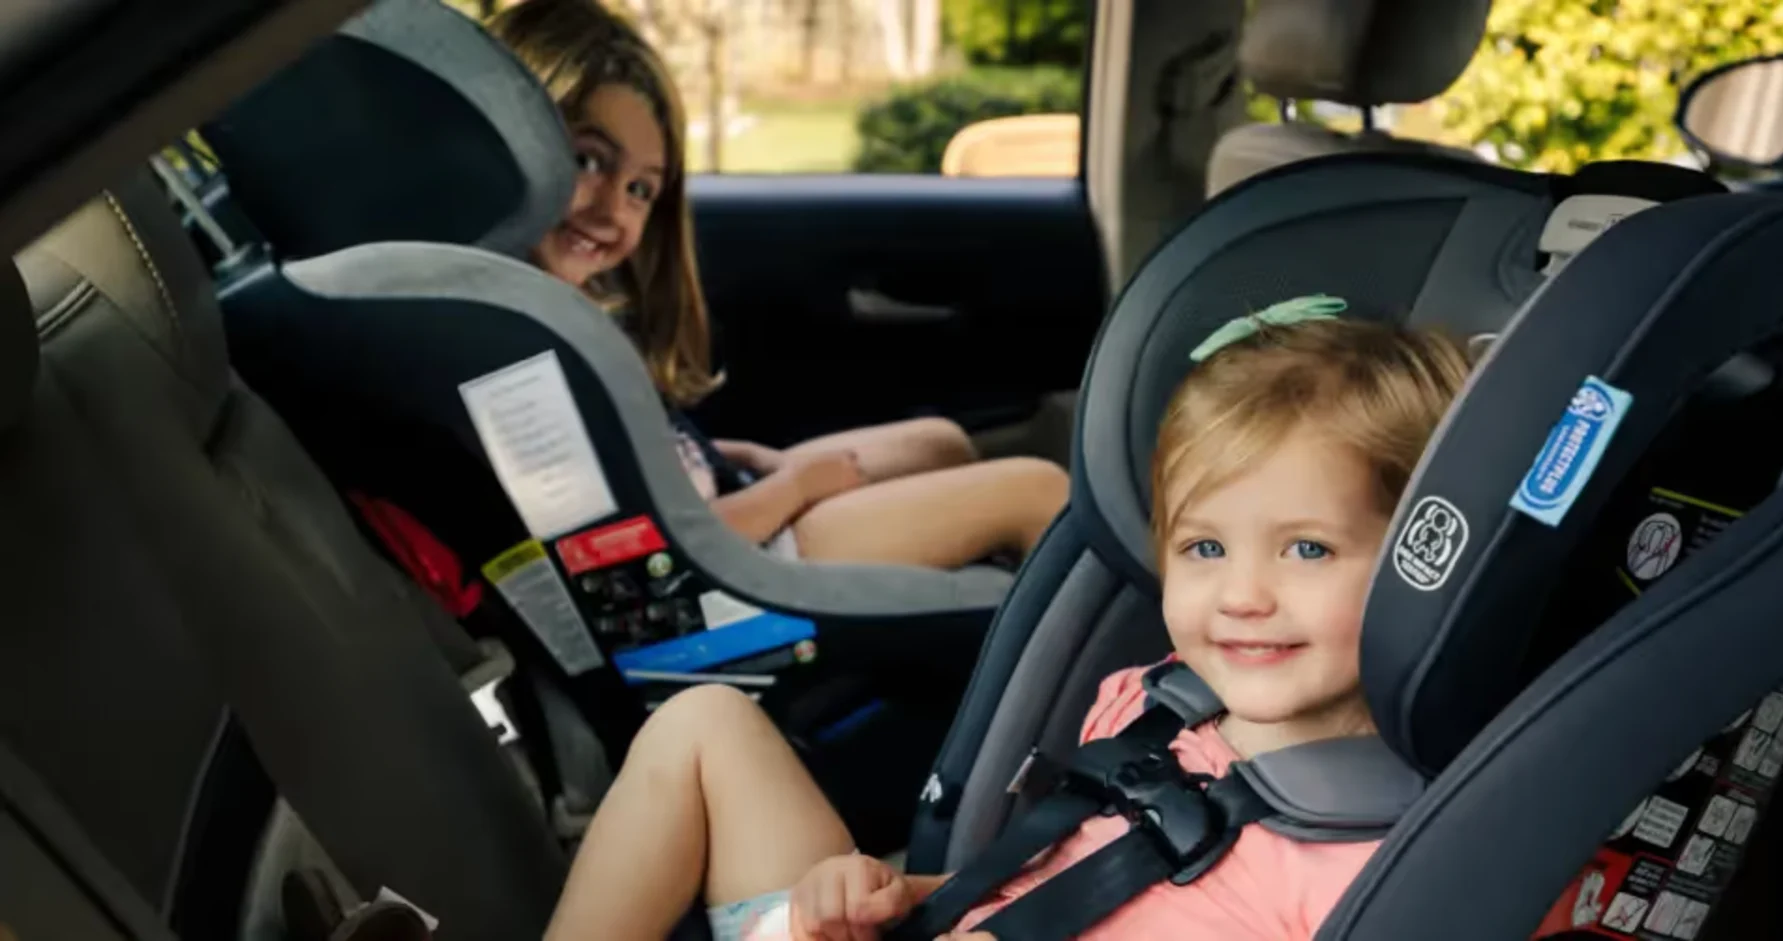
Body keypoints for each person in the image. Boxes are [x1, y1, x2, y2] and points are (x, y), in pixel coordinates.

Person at [539, 299, 1475, 941]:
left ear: (1423, 561)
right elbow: (1046, 886)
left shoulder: (1381, 861)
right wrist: (888, 895)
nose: (1242, 595)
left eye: (1306, 548)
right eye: (1204, 547)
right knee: (703, 722)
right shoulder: (1152, 705)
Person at [486, 0, 1068, 568]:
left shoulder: (556, 312)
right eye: (588, 161)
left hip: (721, 512)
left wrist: (730, 458)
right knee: (1036, 491)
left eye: (641, 189)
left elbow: (630, 462)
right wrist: (794, 488)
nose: (614, 210)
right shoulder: (508, 354)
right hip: (723, 572)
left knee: (941, 443)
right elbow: (635, 551)